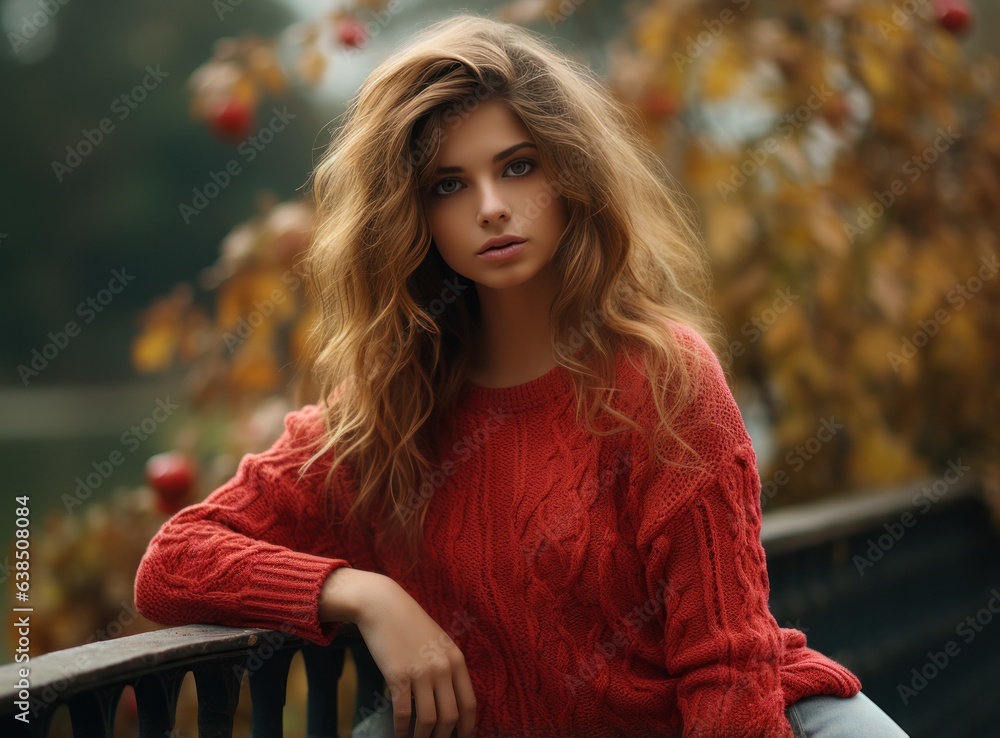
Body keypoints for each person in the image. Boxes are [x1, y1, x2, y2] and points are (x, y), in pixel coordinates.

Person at [134, 13, 911, 738]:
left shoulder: (664, 380)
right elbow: (174, 563)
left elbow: (727, 670)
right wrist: (366, 595)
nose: (493, 207)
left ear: (569, 176)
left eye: (518, 167)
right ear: (411, 212)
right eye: (450, 184)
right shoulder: (383, 414)